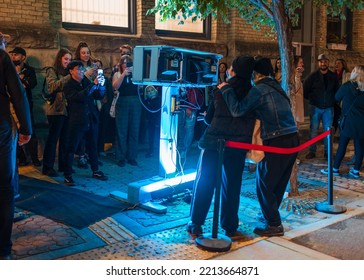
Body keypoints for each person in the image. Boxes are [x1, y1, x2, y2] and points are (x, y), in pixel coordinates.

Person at [221, 57, 299, 236]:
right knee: (277, 184)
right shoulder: (277, 87)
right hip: (293, 138)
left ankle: (274, 224)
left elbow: (238, 110)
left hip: (276, 140)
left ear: (255, 74)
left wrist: (226, 90)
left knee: (263, 183)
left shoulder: (259, 90)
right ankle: (271, 216)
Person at [187, 56, 256, 240]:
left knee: (206, 182)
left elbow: (209, 119)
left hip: (214, 143)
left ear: (233, 70)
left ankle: (196, 224)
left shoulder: (221, 90)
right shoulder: (253, 93)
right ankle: (230, 227)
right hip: (239, 145)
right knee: (232, 186)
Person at [0, 32, 32, 260]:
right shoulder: (1, 57)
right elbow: (17, 93)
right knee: (4, 186)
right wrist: (26, 128)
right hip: (0, 125)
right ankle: (2, 249)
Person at [63, 60, 108, 186]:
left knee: (93, 146)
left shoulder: (86, 82)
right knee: (72, 147)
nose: (82, 72)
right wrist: (93, 85)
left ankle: (95, 170)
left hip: (90, 118)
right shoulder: (68, 85)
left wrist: (101, 86)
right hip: (77, 120)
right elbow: (79, 96)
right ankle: (68, 175)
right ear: (71, 71)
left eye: (83, 69)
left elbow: (98, 96)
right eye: (79, 69)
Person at [321, 65, 364, 179]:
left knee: (342, 145)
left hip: (348, 121)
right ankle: (355, 170)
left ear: (355, 74)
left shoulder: (347, 86)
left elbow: (336, 98)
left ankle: (335, 168)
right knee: (360, 147)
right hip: (361, 123)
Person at [42, 48, 72, 176]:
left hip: (66, 110)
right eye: (66, 59)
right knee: (53, 139)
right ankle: (47, 167)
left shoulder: (68, 72)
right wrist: (69, 77)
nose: (68, 62)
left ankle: (63, 165)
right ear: (60, 58)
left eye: (70, 60)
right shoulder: (52, 70)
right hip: (55, 110)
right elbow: (52, 86)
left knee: (65, 139)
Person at [303, 54, 340, 159]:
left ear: (328, 62)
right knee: (313, 130)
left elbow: (337, 91)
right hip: (315, 107)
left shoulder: (333, 77)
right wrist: (313, 99)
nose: (323, 63)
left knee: (328, 131)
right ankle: (312, 151)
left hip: (328, 107)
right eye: (321, 61)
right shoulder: (312, 76)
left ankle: (327, 152)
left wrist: (333, 101)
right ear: (318, 63)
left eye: (325, 61)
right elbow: (305, 90)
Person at [9, 46, 40, 166]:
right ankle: (21, 158)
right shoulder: (9, 69)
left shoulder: (29, 70)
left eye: (16, 54)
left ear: (23, 57)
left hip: (26, 105)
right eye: (12, 54)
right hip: (11, 106)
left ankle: (34, 158)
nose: (13, 56)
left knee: (30, 131)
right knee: (14, 132)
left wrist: (22, 79)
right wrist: (20, 79)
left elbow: (32, 83)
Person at [112, 54, 142, 167]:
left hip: (135, 101)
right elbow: (115, 86)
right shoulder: (117, 74)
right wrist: (124, 74)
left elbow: (142, 86)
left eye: (128, 63)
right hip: (122, 101)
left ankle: (132, 156)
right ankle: (120, 157)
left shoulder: (136, 73)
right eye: (124, 63)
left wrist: (135, 74)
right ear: (121, 65)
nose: (126, 65)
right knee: (122, 130)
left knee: (134, 129)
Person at [143, 85, 161, 158]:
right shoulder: (147, 101)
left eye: (151, 90)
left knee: (158, 135)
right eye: (148, 91)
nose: (150, 92)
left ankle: (159, 150)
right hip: (150, 120)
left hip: (157, 120)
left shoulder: (159, 99)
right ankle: (151, 150)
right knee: (151, 136)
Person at [333, 58, 350, 132]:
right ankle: (333, 134)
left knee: (343, 118)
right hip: (335, 100)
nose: (337, 65)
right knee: (335, 118)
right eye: (336, 63)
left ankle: (342, 133)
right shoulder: (333, 75)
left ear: (343, 65)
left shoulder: (347, 75)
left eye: (339, 63)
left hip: (343, 100)